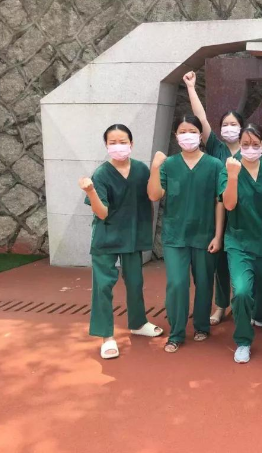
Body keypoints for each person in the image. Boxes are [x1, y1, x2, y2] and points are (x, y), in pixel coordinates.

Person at [80, 124, 163, 359]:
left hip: (132, 236)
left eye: (123, 142)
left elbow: (153, 195)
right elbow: (102, 213)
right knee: (103, 287)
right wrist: (91, 192)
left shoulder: (141, 170)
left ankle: (138, 323)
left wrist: (156, 168)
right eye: (113, 143)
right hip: (106, 236)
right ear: (106, 146)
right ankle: (106, 336)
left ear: (132, 144)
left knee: (135, 282)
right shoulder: (101, 174)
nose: (118, 146)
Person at [148, 114, 224, 353]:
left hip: (205, 235)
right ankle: (176, 332)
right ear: (176, 136)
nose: (187, 135)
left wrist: (218, 235)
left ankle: (202, 325)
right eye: (182, 131)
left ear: (200, 135)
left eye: (192, 131)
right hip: (175, 236)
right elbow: (154, 195)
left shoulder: (214, 165)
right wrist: (155, 167)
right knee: (177, 283)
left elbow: (220, 202)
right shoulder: (169, 165)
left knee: (204, 282)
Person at [220, 123, 262, 363]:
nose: (250, 148)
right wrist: (232, 176)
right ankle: (243, 340)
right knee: (241, 292)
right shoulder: (230, 168)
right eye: (245, 144)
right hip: (239, 242)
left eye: (255, 144)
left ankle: (261, 316)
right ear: (239, 144)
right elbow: (228, 204)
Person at [184, 71, 241, 326]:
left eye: (234, 124)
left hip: (241, 215)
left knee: (239, 263)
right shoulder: (216, 147)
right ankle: (221, 305)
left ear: (242, 128)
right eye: (225, 124)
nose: (229, 128)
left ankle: (244, 305)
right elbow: (201, 118)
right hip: (216, 213)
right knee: (218, 264)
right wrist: (191, 87)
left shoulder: (250, 151)